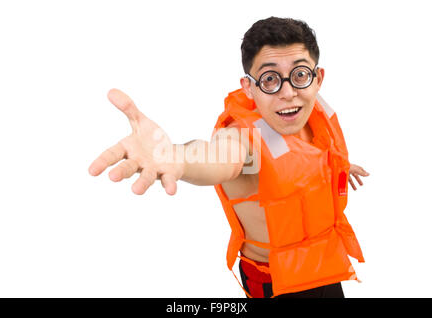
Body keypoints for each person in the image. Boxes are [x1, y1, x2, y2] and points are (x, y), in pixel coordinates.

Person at [88, 17, 370, 298]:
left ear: (317, 78)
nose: (288, 92)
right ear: (249, 87)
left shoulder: (310, 111)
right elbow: (218, 158)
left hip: (325, 264)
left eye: (300, 75)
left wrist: (339, 166)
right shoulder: (240, 139)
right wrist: (176, 157)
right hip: (278, 283)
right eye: (270, 79)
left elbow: (309, 157)